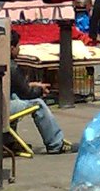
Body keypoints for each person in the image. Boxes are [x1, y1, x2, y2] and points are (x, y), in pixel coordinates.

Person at [7, 24, 68, 154]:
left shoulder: (0, 61)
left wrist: (32, 85)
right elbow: (27, 94)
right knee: (38, 104)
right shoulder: (11, 67)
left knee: (15, 96)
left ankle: (8, 141)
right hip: (1, 109)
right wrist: (40, 91)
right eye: (18, 46)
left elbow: (19, 87)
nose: (20, 49)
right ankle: (55, 143)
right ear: (12, 48)